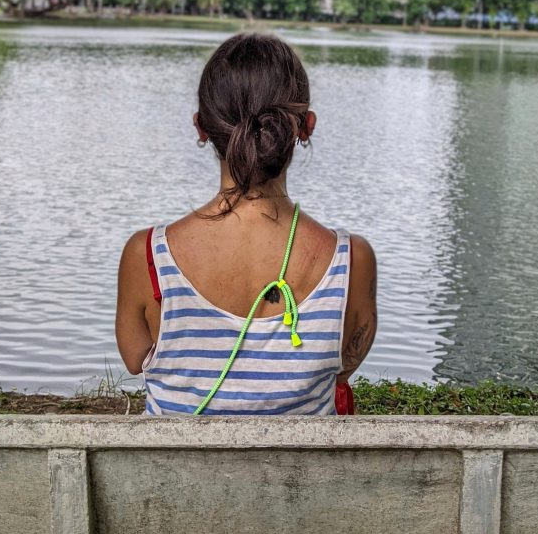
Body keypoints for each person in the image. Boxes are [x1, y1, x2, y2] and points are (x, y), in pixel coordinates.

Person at [115, 32, 377, 415]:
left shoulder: (147, 256)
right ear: (306, 127)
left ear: (201, 127)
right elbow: (342, 371)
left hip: (173, 475)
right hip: (303, 476)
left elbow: (135, 358)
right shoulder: (352, 261)